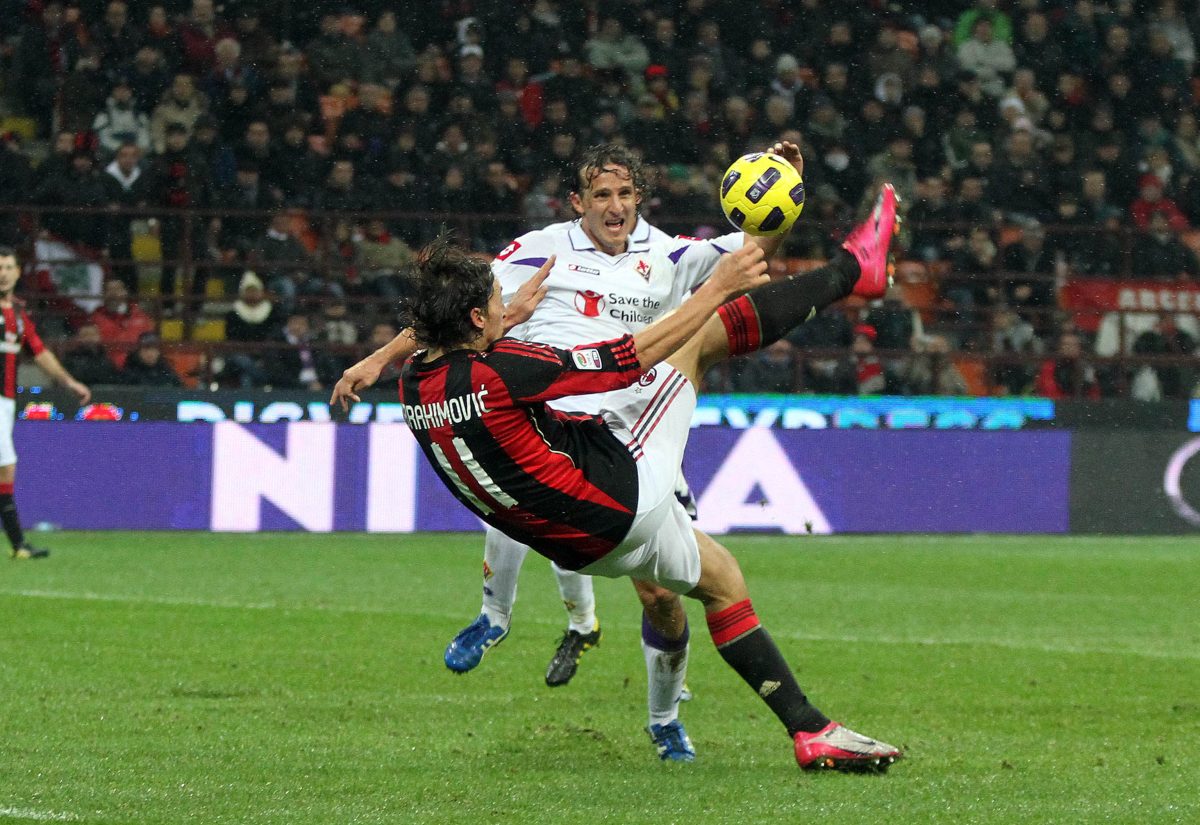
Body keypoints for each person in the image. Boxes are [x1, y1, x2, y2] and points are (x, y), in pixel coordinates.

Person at [389, 180, 901, 772]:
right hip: (619, 496)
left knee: (721, 580)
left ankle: (811, 730)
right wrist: (716, 289)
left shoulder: (413, 387)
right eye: (499, 305)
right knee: (698, 341)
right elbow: (629, 359)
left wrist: (497, 325)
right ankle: (851, 271)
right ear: (477, 319)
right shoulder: (503, 369)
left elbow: (460, 361)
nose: (513, 306)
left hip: (580, 546)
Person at [332, 143, 804, 760]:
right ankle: (495, 616)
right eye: (601, 196)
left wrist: (781, 191)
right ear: (578, 203)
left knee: (661, 596)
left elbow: (752, 255)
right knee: (513, 497)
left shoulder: (671, 253)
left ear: (640, 199)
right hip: (555, 417)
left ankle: (664, 718)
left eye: (625, 195)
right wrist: (376, 360)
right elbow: (446, 315)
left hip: (636, 422)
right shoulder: (537, 248)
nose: (615, 207)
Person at [0, 247, 92, 559]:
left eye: (9, 267)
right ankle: (18, 544)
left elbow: (39, 352)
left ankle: (18, 545)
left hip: (6, 401)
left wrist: (67, 381)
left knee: (5, 470)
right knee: (6, 468)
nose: (3, 273)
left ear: (17, 272)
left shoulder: (19, 314)